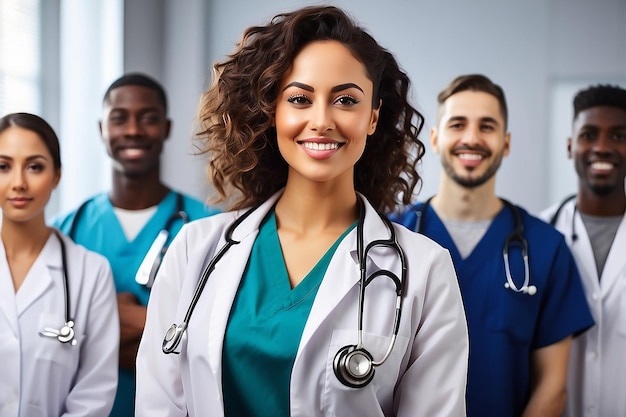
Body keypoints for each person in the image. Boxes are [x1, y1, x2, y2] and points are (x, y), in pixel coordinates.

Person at [135, 6, 469, 417]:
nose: (322, 120)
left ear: (372, 118)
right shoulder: (195, 250)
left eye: (346, 100)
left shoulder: (425, 270)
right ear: (273, 111)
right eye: (299, 98)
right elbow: (159, 404)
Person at [390, 74, 594, 417]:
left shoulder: (546, 248)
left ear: (506, 143)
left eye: (487, 126)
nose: (472, 138)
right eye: (458, 124)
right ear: (436, 139)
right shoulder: (389, 239)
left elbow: (552, 386)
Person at [53, 73, 220, 416]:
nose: (133, 130)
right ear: (102, 129)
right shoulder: (63, 231)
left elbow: (225, 333)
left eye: (148, 118)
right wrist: (111, 326)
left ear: (168, 128)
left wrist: (143, 323)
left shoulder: (211, 229)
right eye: (119, 118)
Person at [0, 112, 119, 417]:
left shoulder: (91, 272)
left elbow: (94, 393)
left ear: (56, 175)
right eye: (3, 166)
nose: (18, 183)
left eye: (35, 167)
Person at [540, 84, 626, 417]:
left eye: (618, 136)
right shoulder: (538, 236)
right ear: (570, 146)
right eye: (589, 134)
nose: (602, 147)